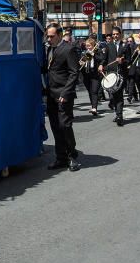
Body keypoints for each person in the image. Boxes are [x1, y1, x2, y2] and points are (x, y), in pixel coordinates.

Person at [43, 23, 80, 171]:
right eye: (48, 36)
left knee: (65, 125)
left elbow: (74, 73)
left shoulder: (68, 49)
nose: (49, 39)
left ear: (59, 35)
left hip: (63, 94)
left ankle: (72, 156)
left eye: (51, 36)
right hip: (51, 93)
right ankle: (61, 158)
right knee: (55, 126)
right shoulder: (48, 49)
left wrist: (65, 93)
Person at [101, 27, 128, 125]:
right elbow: (104, 59)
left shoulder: (125, 46)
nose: (115, 36)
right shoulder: (109, 46)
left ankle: (119, 116)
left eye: (117, 34)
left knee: (119, 96)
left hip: (121, 74)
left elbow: (129, 61)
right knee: (112, 97)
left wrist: (123, 61)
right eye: (113, 34)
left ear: (120, 34)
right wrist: (101, 65)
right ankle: (117, 111)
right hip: (111, 74)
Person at [79, 37, 104, 115]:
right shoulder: (84, 53)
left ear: (93, 46)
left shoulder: (97, 52)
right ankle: (93, 105)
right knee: (90, 91)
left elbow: (102, 59)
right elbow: (81, 62)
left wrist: (94, 55)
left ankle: (94, 108)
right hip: (86, 74)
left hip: (95, 74)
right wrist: (81, 63)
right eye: (87, 46)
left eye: (89, 46)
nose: (88, 47)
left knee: (94, 91)